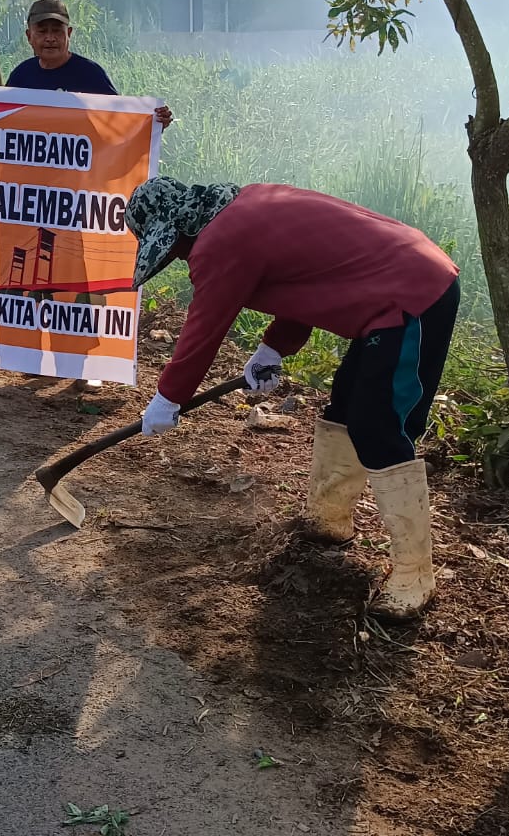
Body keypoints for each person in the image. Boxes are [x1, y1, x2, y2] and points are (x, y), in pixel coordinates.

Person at [125, 176, 460, 620]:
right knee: (345, 408)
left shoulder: (221, 239)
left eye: (172, 249)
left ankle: (414, 576)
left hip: (414, 293)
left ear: (179, 229)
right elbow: (305, 283)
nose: (177, 258)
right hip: (390, 293)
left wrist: (169, 397)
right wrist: (272, 350)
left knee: (378, 424)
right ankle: (329, 520)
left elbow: (206, 325)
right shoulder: (243, 211)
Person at [0, 0, 172, 127]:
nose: (50, 38)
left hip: (76, 186)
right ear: (29, 36)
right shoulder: (21, 74)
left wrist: (153, 123)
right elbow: (0, 124)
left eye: (57, 31)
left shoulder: (90, 75)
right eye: (42, 31)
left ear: (69, 34)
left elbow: (120, 124)